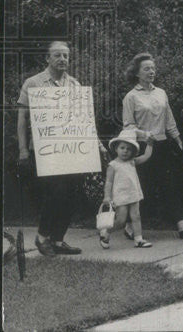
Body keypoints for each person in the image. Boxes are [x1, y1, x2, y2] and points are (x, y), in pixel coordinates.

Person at [17, 40, 107, 256]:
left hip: (73, 151)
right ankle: (41, 237)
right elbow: (21, 119)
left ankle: (58, 239)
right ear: (47, 58)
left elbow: (85, 120)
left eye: (65, 56)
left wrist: (99, 145)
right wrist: (23, 149)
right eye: (57, 55)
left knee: (72, 194)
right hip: (45, 149)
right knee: (55, 193)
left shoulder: (75, 85)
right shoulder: (33, 83)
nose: (62, 59)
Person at [121, 53, 183, 239]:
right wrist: (145, 135)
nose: (151, 72)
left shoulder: (161, 92)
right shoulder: (130, 97)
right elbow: (128, 125)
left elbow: (169, 118)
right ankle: (130, 226)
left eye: (153, 68)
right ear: (137, 73)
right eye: (147, 69)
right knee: (142, 187)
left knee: (169, 184)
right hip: (142, 146)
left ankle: (182, 226)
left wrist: (177, 137)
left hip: (162, 144)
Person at [100, 128, 155, 249]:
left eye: (129, 149)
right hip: (121, 196)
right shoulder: (113, 165)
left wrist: (149, 144)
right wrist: (107, 196)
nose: (125, 151)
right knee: (120, 220)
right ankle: (106, 233)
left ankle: (138, 239)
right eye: (122, 148)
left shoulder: (132, 162)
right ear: (116, 149)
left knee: (136, 216)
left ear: (133, 151)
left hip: (134, 194)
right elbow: (109, 182)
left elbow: (146, 156)